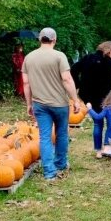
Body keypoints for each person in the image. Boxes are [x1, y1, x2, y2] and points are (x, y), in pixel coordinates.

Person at [22, 28, 82, 182]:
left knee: (45, 138)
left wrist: (29, 104)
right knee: (61, 134)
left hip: (40, 105)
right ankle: (61, 164)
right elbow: (67, 79)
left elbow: (26, 83)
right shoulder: (59, 56)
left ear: (40, 39)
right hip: (60, 104)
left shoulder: (28, 57)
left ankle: (49, 173)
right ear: (54, 39)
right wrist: (75, 99)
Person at [71, 41, 111, 159]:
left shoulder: (87, 58)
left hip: (89, 97)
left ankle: (98, 151)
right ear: (109, 50)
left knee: (97, 123)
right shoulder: (107, 61)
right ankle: (107, 146)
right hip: (105, 97)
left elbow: (73, 70)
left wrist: (79, 84)